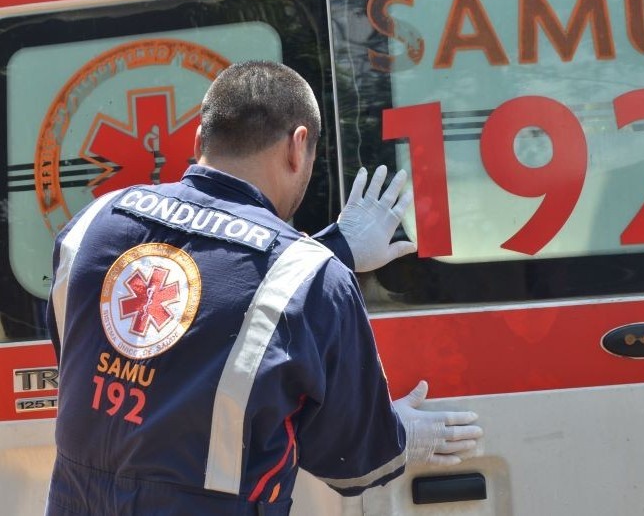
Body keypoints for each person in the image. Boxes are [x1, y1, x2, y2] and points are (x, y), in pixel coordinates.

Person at [45, 61, 482, 516]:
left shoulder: (93, 224)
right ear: (297, 147)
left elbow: (106, 353)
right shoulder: (314, 281)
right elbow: (353, 463)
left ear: (199, 141)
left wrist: (333, 252)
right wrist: (398, 437)